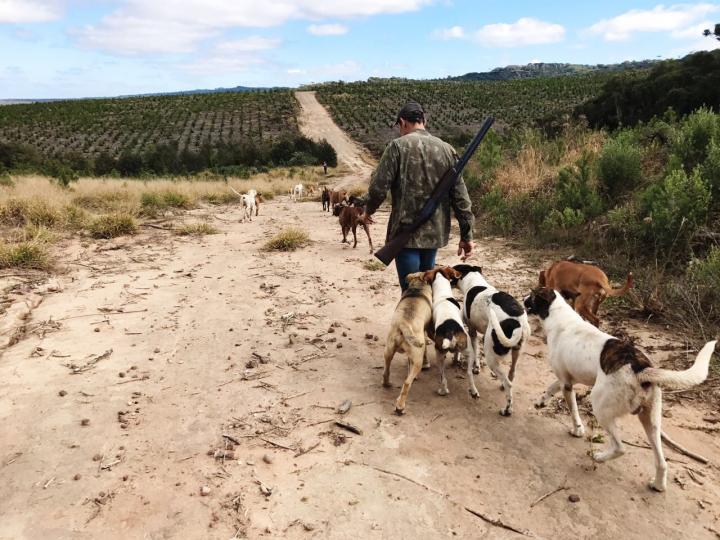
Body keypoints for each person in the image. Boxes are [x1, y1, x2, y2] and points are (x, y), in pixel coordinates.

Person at [361, 101, 475, 291]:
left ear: (402, 122)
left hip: (405, 233)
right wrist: (467, 235)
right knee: (427, 289)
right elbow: (461, 198)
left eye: (399, 126)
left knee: (411, 293)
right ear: (424, 121)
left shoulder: (397, 147)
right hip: (434, 235)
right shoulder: (447, 149)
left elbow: (378, 189)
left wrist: (368, 211)